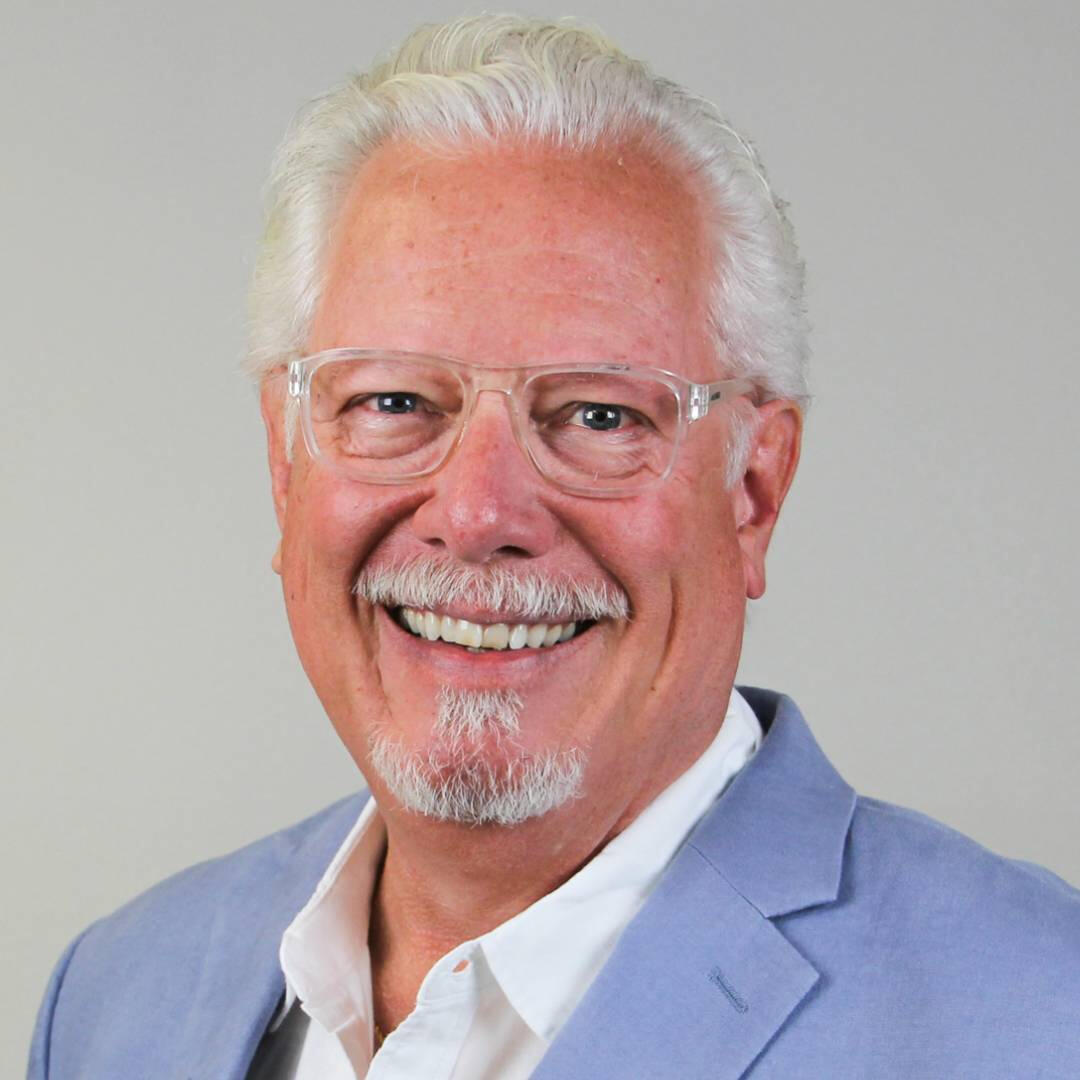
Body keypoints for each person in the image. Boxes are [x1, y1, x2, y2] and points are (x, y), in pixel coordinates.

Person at [28, 14, 1080, 1079]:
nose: (480, 512)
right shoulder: (113, 999)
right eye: (394, 401)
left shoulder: (1045, 1017)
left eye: (598, 416)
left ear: (754, 491)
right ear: (285, 465)